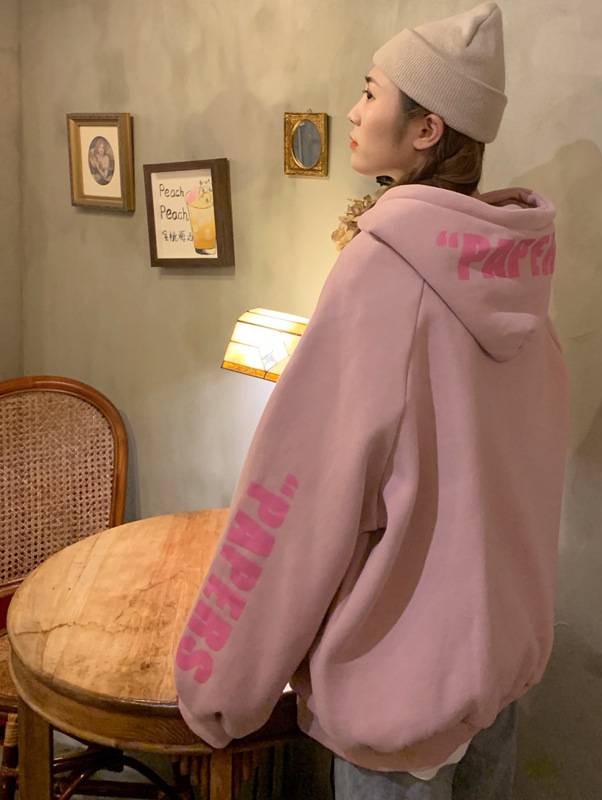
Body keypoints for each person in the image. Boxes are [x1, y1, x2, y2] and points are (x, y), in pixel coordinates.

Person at [174, 3, 570, 799]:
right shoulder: (516, 276)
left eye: (369, 92)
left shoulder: (383, 273)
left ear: (426, 128)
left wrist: (217, 683)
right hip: (495, 679)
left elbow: (295, 497)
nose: (353, 113)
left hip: (399, 698)